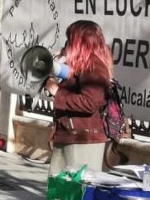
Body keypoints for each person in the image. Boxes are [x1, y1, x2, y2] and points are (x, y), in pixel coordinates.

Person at [43, 20, 111, 175]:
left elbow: (90, 103)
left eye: (70, 40)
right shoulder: (81, 65)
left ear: (80, 42)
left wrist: (57, 92)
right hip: (69, 134)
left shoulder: (94, 67)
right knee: (59, 191)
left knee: (77, 192)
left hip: (83, 139)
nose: (67, 44)